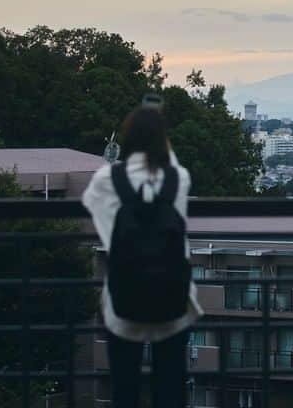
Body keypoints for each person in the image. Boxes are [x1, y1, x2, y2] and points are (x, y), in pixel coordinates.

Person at [82, 105, 203, 408]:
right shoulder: (179, 179)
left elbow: (93, 206)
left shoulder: (106, 182)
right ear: (164, 141)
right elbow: (170, 169)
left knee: (125, 390)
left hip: (124, 298)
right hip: (173, 300)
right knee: (171, 391)